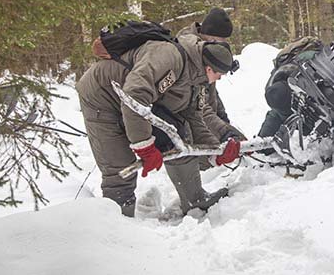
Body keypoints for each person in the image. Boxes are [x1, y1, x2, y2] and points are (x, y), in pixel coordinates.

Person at [76, 36, 242, 217]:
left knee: (178, 138)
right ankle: (119, 226)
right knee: (120, 168)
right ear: (209, 68)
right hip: (102, 98)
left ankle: (194, 200)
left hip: (136, 100)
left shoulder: (196, 79)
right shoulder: (168, 56)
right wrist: (144, 145)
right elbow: (135, 95)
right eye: (220, 75)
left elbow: (193, 118)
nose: (219, 79)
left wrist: (215, 152)